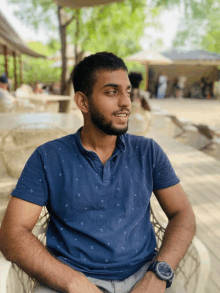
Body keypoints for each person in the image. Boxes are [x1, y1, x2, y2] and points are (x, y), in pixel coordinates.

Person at [0, 52, 196, 293]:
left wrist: (159, 273)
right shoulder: (48, 157)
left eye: (127, 91)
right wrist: (74, 282)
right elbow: (11, 235)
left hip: (144, 277)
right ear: (83, 102)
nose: (126, 102)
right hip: (68, 281)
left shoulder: (148, 152)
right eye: (112, 92)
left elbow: (183, 213)